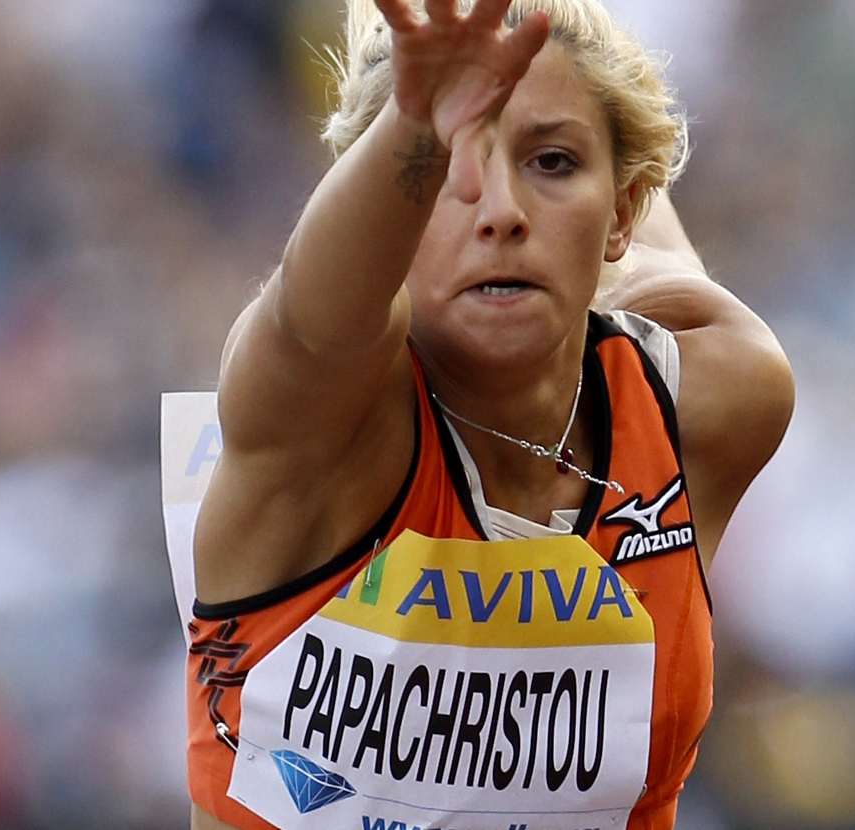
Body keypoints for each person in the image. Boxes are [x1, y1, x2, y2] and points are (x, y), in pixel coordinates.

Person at [182, 0, 793, 827]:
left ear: (622, 214)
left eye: (551, 161)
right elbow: (313, 314)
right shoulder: (319, 416)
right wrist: (415, 119)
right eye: (444, 167)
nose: (500, 209)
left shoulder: (710, 401)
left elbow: (623, 176)